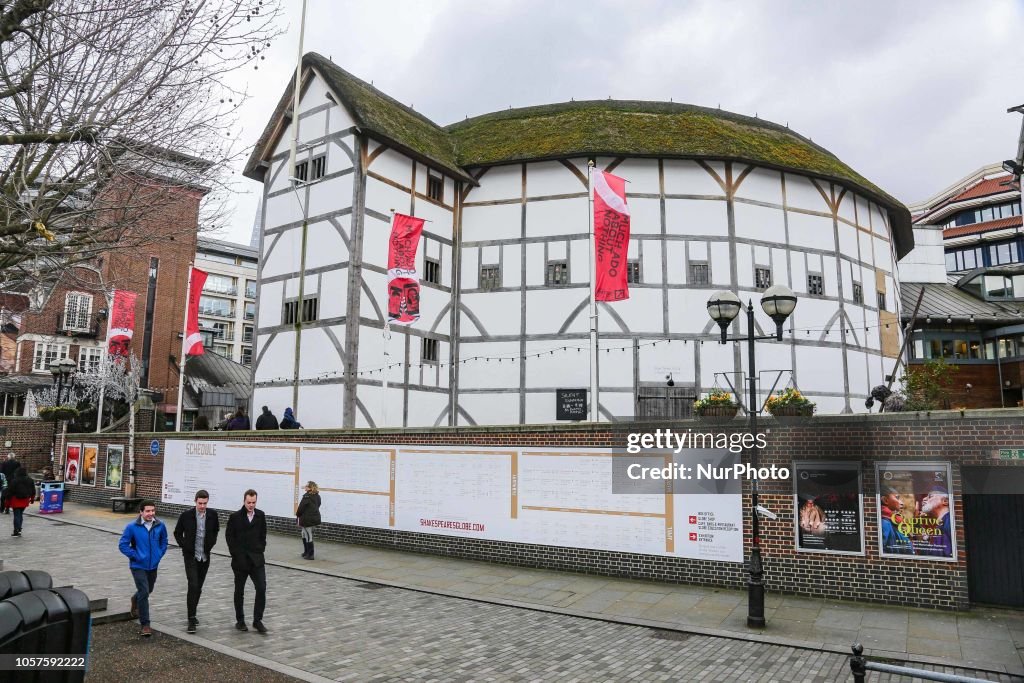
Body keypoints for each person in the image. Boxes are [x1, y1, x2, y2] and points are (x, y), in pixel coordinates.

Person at [118, 500, 169, 637]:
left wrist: (159, 553)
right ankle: (145, 625)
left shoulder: (160, 525)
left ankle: (135, 599)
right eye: (147, 511)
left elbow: (164, 541)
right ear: (141, 512)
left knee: (148, 589)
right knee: (144, 591)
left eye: (152, 510)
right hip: (138, 565)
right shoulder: (132, 527)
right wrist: (136, 556)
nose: (150, 513)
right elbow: (123, 545)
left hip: (153, 565)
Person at [173, 489, 220, 634]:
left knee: (198, 587)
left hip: (204, 557)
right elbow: (177, 533)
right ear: (195, 502)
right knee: (193, 585)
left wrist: (210, 544)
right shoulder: (186, 516)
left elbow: (216, 530)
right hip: (191, 556)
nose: (202, 506)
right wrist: (185, 545)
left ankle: (193, 612)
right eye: (200, 503)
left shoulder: (212, 515)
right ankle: (191, 618)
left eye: (205, 503)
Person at [226, 489, 267, 633]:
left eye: (253, 502)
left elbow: (263, 535)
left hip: (257, 560)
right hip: (240, 561)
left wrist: (260, 549)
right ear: (244, 501)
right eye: (249, 502)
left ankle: (257, 620)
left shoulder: (260, 515)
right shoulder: (235, 517)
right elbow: (230, 538)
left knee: (261, 588)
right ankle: (240, 620)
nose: (251, 505)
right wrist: (236, 555)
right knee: (239, 591)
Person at [880, 486, 914, 555]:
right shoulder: (885, 523)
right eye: (897, 498)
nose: (902, 503)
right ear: (885, 500)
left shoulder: (893, 520)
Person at [921, 486, 953, 558]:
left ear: (945, 501)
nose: (924, 499)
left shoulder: (949, 522)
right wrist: (926, 540)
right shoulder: (942, 524)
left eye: (930, 496)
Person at [296, 481, 322, 560]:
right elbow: (318, 505)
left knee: (308, 535)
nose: (305, 487)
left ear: (310, 488)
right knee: (304, 534)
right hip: (315, 518)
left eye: (306, 486)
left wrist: (298, 515)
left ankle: (310, 554)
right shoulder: (317, 496)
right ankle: (306, 552)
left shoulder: (306, 496)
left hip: (307, 519)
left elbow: (301, 508)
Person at [7, 468, 35, 537]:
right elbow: (33, 490)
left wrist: (7, 500)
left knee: (16, 515)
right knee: (20, 514)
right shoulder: (30, 480)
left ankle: (16, 530)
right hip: (25, 499)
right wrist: (32, 499)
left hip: (15, 499)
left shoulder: (14, 481)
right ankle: (19, 529)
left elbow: (10, 491)